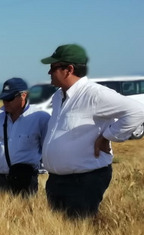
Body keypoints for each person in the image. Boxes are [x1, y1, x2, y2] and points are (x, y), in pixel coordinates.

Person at [40, 44, 144, 218]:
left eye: (53, 68)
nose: (49, 73)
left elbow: (137, 111)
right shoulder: (58, 96)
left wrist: (107, 136)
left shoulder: (95, 94)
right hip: (56, 181)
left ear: (69, 69)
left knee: (79, 233)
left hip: (84, 181)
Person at [0, 78, 50, 196]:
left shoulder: (40, 118)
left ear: (23, 95)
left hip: (25, 179)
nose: (5, 102)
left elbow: (48, 148)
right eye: (3, 99)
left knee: (23, 213)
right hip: (0, 179)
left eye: (9, 98)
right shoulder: (0, 117)